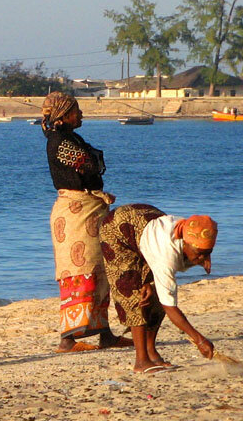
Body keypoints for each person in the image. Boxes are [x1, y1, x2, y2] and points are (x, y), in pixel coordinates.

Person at [41, 91, 129, 352]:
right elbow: (88, 164)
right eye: (76, 111)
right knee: (81, 272)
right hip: (75, 213)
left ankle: (105, 334)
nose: (80, 115)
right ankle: (67, 339)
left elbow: (89, 166)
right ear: (64, 115)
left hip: (87, 209)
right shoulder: (60, 141)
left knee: (99, 270)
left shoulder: (68, 137)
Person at [98, 206, 218, 372]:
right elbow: (170, 306)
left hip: (145, 228)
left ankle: (151, 352)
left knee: (155, 294)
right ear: (185, 243)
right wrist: (199, 339)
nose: (202, 258)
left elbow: (192, 252)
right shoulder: (166, 255)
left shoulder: (190, 233)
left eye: (207, 253)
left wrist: (202, 256)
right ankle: (141, 361)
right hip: (117, 230)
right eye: (199, 253)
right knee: (134, 294)